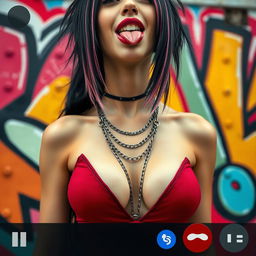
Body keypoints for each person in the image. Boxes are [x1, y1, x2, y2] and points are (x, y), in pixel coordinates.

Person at [39, 0, 216, 223]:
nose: (130, 5)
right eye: (110, 1)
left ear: (164, 22)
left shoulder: (197, 134)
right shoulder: (62, 136)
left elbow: (201, 242)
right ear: (90, 24)